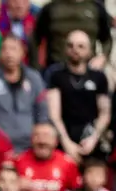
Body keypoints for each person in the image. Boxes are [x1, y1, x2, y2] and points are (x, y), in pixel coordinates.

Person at [45, 30, 110, 163]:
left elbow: (105, 113)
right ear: (65, 49)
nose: (75, 50)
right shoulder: (56, 75)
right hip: (63, 137)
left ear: (89, 50)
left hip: (91, 137)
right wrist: (66, 142)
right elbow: (54, 114)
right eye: (70, 45)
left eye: (81, 46)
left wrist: (94, 138)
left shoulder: (99, 77)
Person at [0, 36, 45, 153]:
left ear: (23, 52)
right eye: (4, 49)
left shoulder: (34, 78)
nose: (9, 54)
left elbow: (43, 112)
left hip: (29, 146)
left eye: (13, 49)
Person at [15, 123, 80, 191]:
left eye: (46, 136)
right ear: (31, 140)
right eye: (37, 136)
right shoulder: (19, 161)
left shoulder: (68, 163)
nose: (42, 141)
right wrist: (16, 186)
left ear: (56, 141)